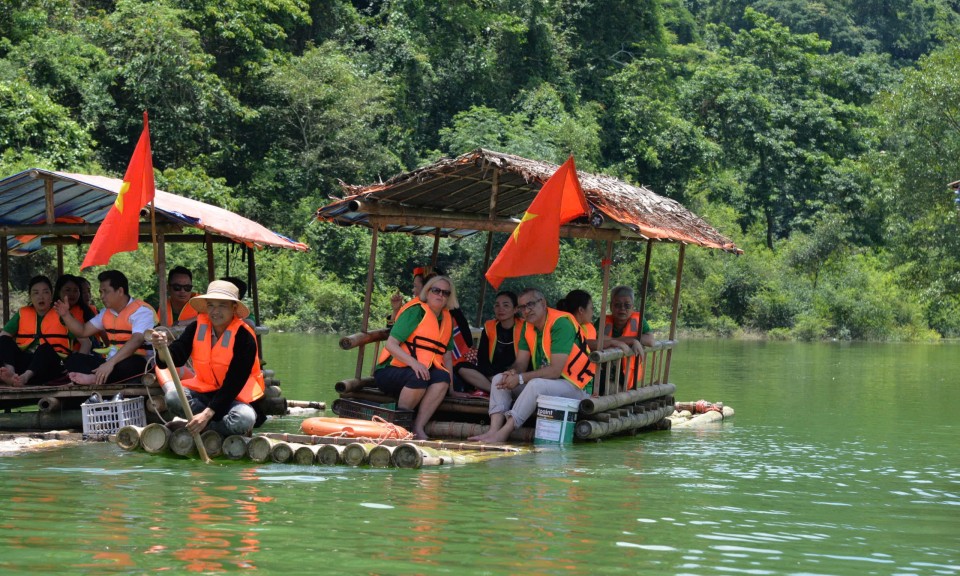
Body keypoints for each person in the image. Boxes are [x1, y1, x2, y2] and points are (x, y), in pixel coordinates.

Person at [468, 288, 595, 443]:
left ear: (543, 303)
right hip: (549, 385)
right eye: (522, 307)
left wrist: (520, 378)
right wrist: (513, 373)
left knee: (535, 385)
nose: (526, 311)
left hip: (576, 387)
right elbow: (521, 363)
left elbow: (555, 371)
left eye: (530, 305)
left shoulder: (561, 323)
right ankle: (493, 430)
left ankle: (504, 433)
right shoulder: (528, 326)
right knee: (498, 379)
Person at [146, 280, 265, 436]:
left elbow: (234, 382)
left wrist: (207, 415)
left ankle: (201, 427)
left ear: (234, 308)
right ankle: (208, 426)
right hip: (204, 393)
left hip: (235, 397)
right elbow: (175, 358)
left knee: (244, 420)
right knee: (173, 397)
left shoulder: (244, 337)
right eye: (211, 305)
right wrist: (161, 347)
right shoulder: (196, 327)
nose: (215, 311)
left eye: (222, 305)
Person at [374, 275, 458, 440]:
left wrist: (452, 389)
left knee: (442, 377)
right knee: (419, 376)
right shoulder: (415, 311)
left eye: (445, 293)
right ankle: (400, 425)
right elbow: (391, 344)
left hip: (419, 371)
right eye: (436, 290)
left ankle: (418, 427)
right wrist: (415, 364)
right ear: (428, 291)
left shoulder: (447, 319)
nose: (440, 295)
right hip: (391, 370)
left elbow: (447, 357)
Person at [55, 270, 157, 385]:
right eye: (100, 292)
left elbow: (137, 340)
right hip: (110, 362)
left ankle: (94, 379)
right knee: (75, 359)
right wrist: (66, 315)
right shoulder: (105, 313)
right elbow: (83, 331)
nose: (101, 296)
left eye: (105, 292)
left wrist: (110, 363)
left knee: (132, 363)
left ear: (120, 291)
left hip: (140, 363)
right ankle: (92, 378)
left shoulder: (142, 311)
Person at [0, 275, 72, 386]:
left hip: (48, 367)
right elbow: (4, 337)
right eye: (36, 293)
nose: (41, 297)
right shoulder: (23, 313)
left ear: (51, 295)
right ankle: (11, 374)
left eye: (45, 292)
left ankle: (24, 378)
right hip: (24, 363)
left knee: (46, 348)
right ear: (30, 297)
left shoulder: (62, 313)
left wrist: (75, 365)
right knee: (4, 339)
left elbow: (84, 339)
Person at [454, 290, 525, 397]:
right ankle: (495, 391)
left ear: (515, 309)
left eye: (506, 305)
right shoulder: (489, 327)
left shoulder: (525, 328)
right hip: (491, 375)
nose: (500, 309)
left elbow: (524, 363)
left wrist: (509, 373)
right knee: (461, 367)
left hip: (514, 374)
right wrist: (492, 373)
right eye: (497, 305)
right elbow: (482, 360)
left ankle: (495, 390)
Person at [600, 285, 656, 389]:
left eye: (627, 305)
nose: (622, 309)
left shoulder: (639, 320)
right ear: (611, 306)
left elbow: (650, 341)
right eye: (617, 305)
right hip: (604, 374)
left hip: (627, 377)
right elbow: (596, 341)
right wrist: (630, 340)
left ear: (633, 307)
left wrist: (631, 340)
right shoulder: (602, 321)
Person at [54, 274, 94, 354]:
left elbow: (87, 343)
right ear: (59, 291)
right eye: (68, 290)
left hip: (79, 356)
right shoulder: (48, 311)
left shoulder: (86, 312)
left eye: (76, 290)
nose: (72, 294)